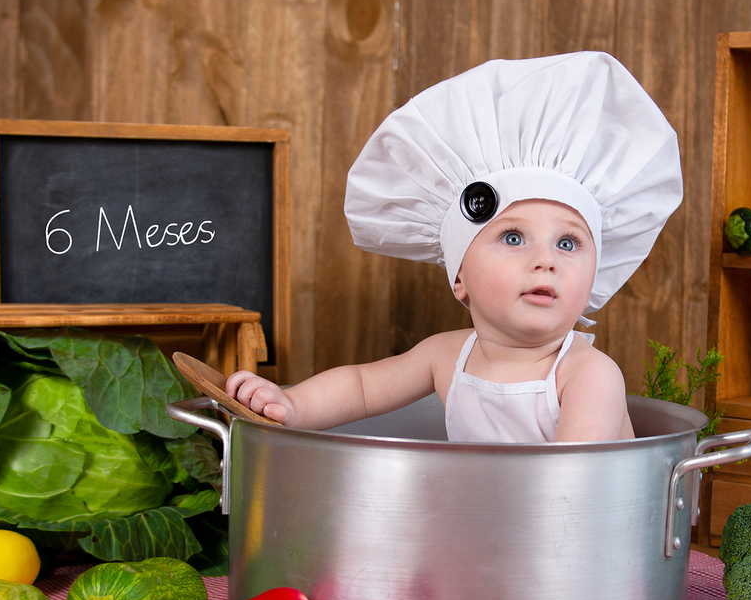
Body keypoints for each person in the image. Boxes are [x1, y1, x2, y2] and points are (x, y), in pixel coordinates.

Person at [227, 51, 683, 443]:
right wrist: (290, 403)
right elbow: (362, 387)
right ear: (458, 277)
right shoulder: (445, 356)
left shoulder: (586, 374)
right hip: (489, 528)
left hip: (577, 538)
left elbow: (570, 485)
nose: (546, 260)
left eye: (568, 242)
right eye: (513, 237)